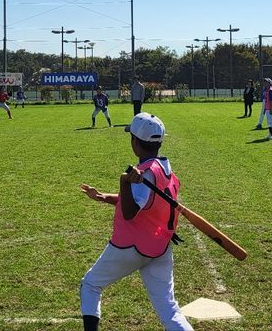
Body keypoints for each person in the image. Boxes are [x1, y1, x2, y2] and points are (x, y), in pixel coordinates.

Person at [78, 112, 192, 331]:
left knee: (90, 285)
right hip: (159, 246)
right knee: (169, 309)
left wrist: (123, 181)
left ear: (135, 142)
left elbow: (130, 212)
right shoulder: (166, 170)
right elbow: (149, 203)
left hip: (131, 247)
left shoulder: (145, 173)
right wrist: (104, 197)